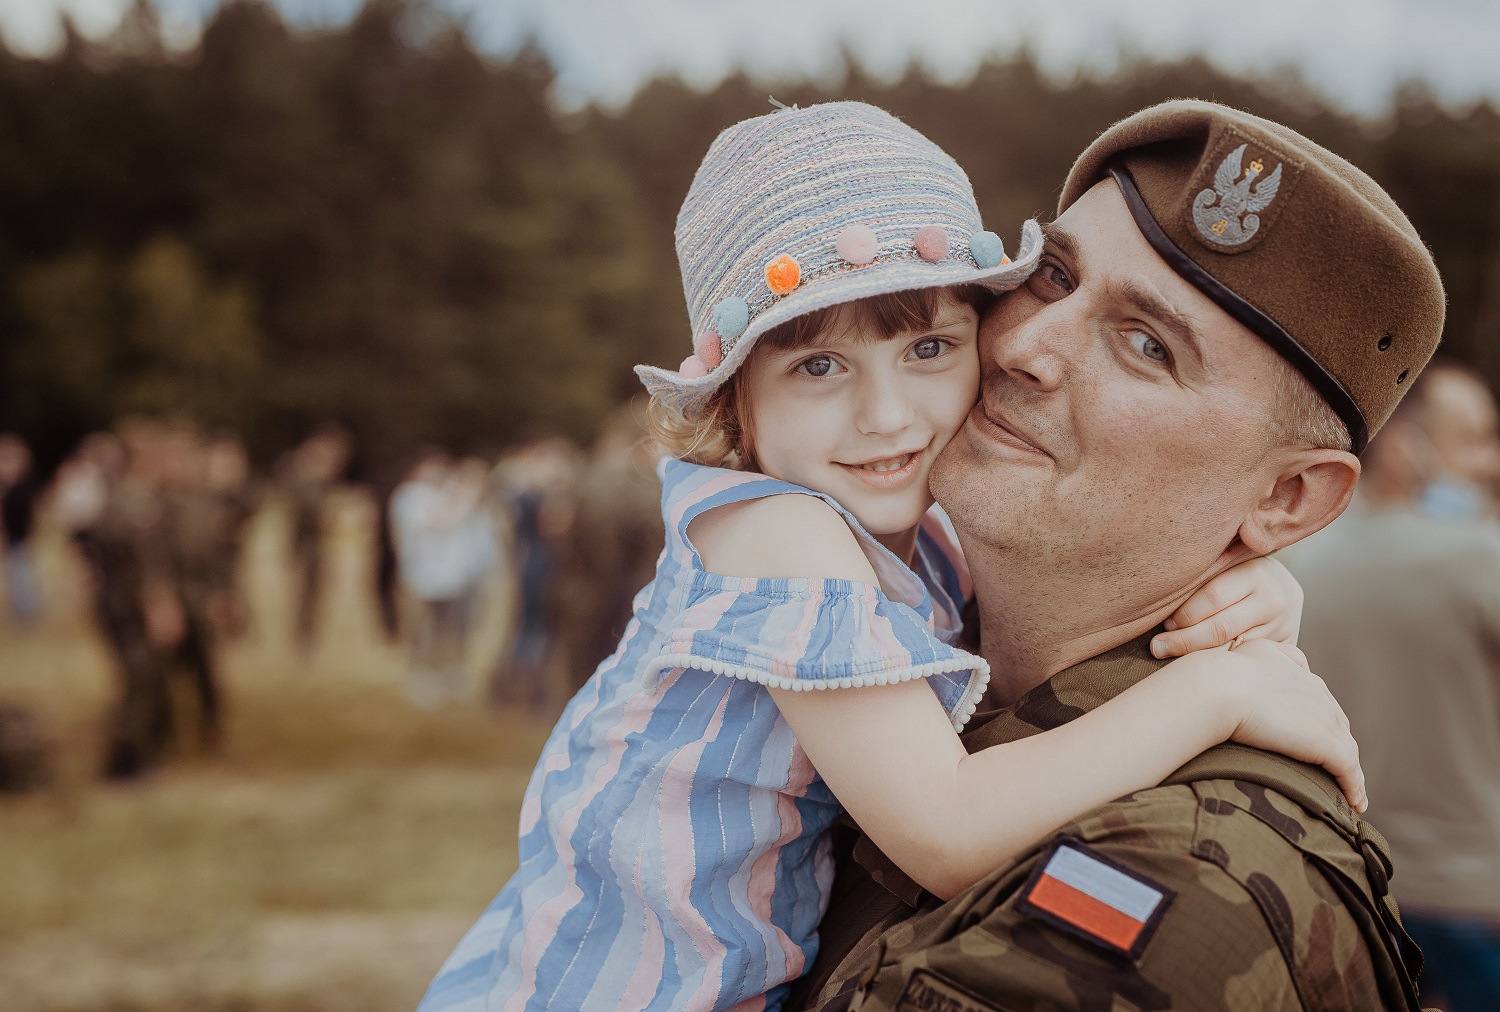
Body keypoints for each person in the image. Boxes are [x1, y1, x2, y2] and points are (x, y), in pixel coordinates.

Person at [419, 101, 1364, 1012]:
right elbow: (947, 829)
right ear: (736, 402)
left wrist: (1247, 576)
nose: (885, 415)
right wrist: (1217, 688)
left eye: (929, 348)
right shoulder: (783, 539)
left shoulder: (899, 536)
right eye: (817, 366)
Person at [791, 100, 1446, 1012]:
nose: (1023, 346)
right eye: (1052, 276)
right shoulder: (893, 640)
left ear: (1286, 498)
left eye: (1147, 345)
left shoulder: (1186, 885)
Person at [1287, 361, 1500, 1010]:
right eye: (1472, 439)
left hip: (1351, 884)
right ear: (1406, 451)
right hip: (1472, 893)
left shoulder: (1298, 561)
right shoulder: (1481, 555)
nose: (1491, 461)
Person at [390, 449, 499, 707]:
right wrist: (465, 498)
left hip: (454, 578)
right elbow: (439, 523)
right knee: (426, 630)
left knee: (455, 630)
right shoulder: (411, 497)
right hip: (425, 579)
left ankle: (449, 674)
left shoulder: (446, 496)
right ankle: (423, 678)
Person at [0, 433, 41, 626]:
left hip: (19, 536)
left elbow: (23, 516)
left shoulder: (19, 489)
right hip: (15, 536)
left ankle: (26, 611)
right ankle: (23, 610)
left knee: (21, 572)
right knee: (19, 572)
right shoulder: (14, 488)